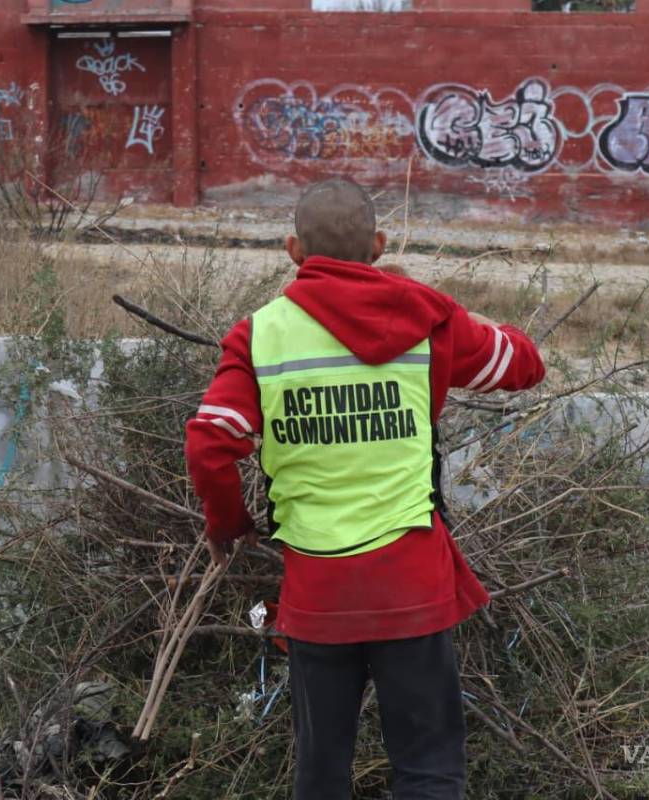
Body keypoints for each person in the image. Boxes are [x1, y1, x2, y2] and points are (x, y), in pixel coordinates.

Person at [184, 178, 546, 800]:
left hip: (317, 591)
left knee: (321, 776)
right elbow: (524, 365)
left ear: (294, 250)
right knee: (429, 770)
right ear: (378, 244)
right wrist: (480, 320)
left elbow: (210, 443)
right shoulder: (430, 317)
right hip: (412, 581)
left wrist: (229, 525)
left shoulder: (260, 334)